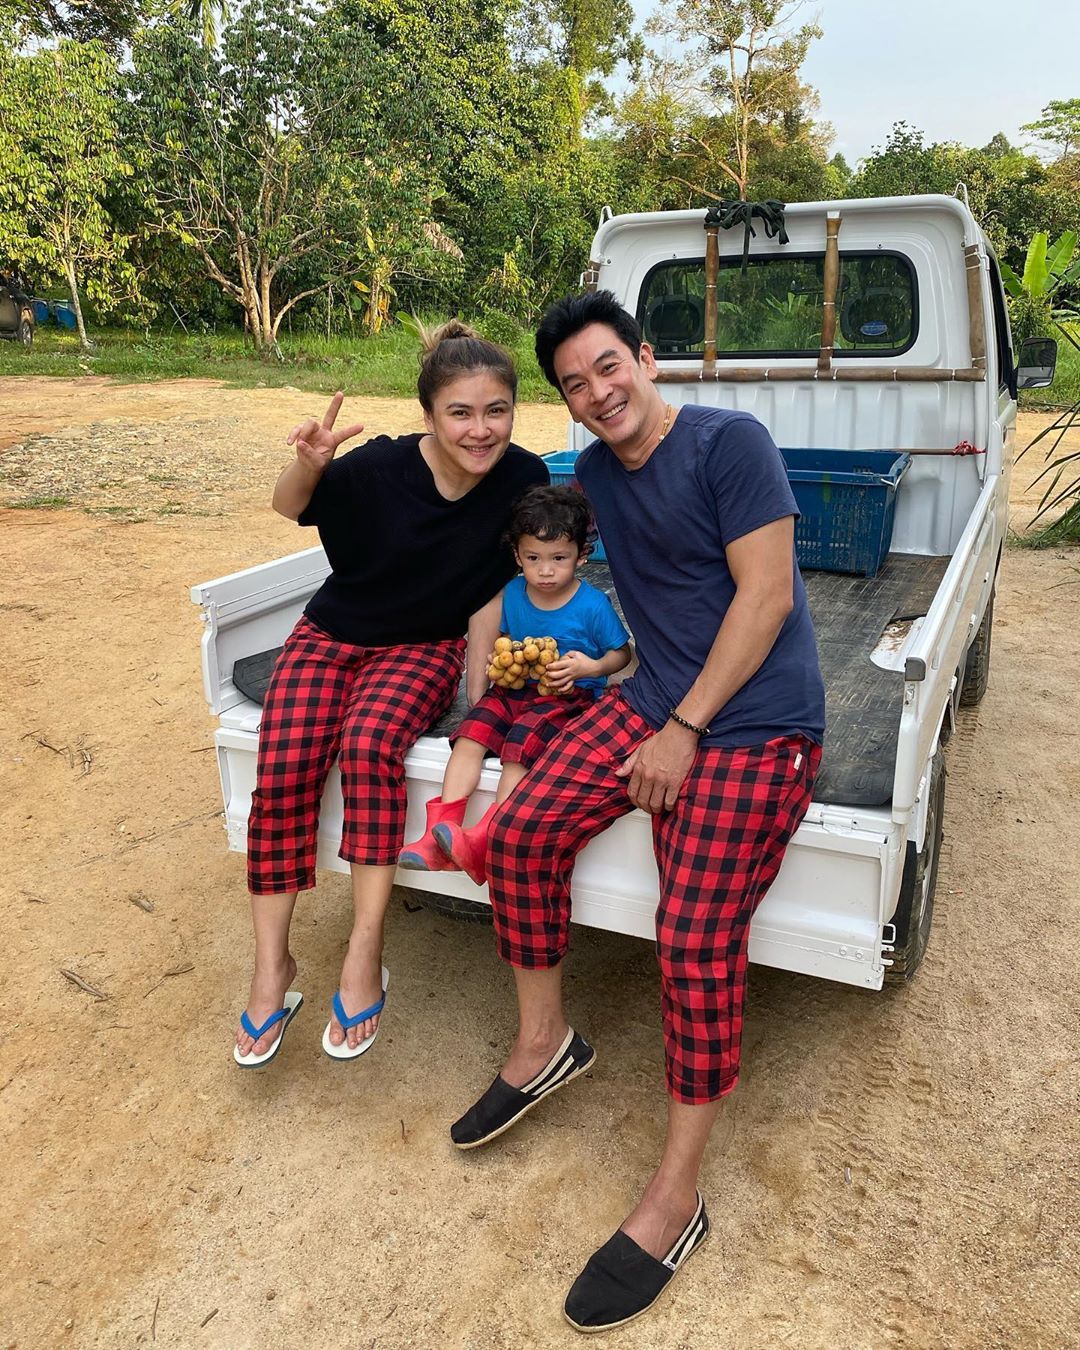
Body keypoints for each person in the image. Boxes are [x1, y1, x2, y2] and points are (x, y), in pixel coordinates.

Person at [450, 291, 826, 1331]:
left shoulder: (729, 445)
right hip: (650, 698)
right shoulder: (597, 479)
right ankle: (545, 1044)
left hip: (757, 725)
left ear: (647, 359)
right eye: (575, 384)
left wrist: (685, 729)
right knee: (517, 834)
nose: (598, 392)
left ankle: (676, 1197)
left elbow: (767, 596)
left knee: (693, 938)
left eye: (608, 366)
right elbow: (506, 509)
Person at [234, 321, 548, 1068]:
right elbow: (288, 506)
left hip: (424, 646)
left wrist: (487, 690)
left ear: (514, 409)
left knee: (370, 747)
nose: (480, 429)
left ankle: (364, 950)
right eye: (460, 413)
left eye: (496, 410)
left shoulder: (523, 478)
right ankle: (272, 967)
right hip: (332, 632)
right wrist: (310, 465)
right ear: (429, 414)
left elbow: (504, 582)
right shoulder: (379, 467)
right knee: (284, 763)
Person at [397, 483, 631, 886]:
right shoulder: (513, 593)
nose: (545, 570)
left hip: (565, 696)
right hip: (516, 690)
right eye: (533, 558)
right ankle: (440, 832)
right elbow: (507, 641)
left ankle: (487, 838)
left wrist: (591, 667)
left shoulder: (592, 605)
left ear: (582, 555)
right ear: (518, 556)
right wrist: (500, 662)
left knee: (518, 750)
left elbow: (621, 654)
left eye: (559, 558)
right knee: (470, 735)